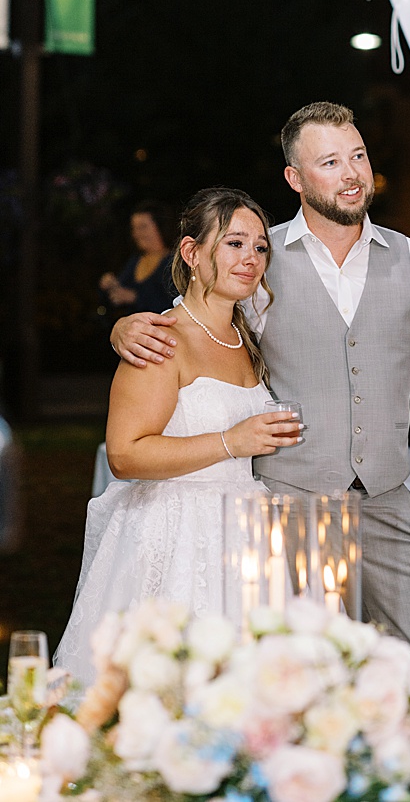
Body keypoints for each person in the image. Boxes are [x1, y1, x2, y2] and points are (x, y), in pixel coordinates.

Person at [111, 102, 410, 650]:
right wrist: (121, 328)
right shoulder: (260, 257)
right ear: (295, 178)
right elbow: (199, 326)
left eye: (357, 156)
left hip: (387, 499)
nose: (351, 174)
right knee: (307, 673)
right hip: (287, 504)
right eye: (330, 162)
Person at [56, 188, 302, 685]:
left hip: (245, 537)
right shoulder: (160, 338)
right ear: (190, 253)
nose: (250, 259)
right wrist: (230, 441)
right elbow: (125, 454)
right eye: (234, 243)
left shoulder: (246, 337)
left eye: (259, 247)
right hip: (173, 536)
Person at [98, 201, 177, 316]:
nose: (137, 233)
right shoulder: (134, 261)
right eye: (134, 228)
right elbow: (116, 297)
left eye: (143, 227)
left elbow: (176, 304)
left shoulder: (174, 263)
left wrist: (136, 298)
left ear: (160, 226)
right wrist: (109, 286)